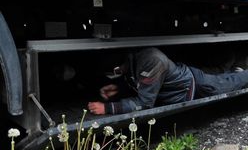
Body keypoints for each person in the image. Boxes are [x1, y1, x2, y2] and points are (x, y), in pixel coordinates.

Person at [88, 47, 248, 115]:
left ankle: (241, 73)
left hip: (194, 86)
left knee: (230, 84)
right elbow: (141, 82)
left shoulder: (151, 61)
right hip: (186, 77)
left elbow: (144, 103)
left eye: (116, 71)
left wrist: (108, 108)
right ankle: (233, 70)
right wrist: (118, 88)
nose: (117, 74)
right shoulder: (132, 62)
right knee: (223, 77)